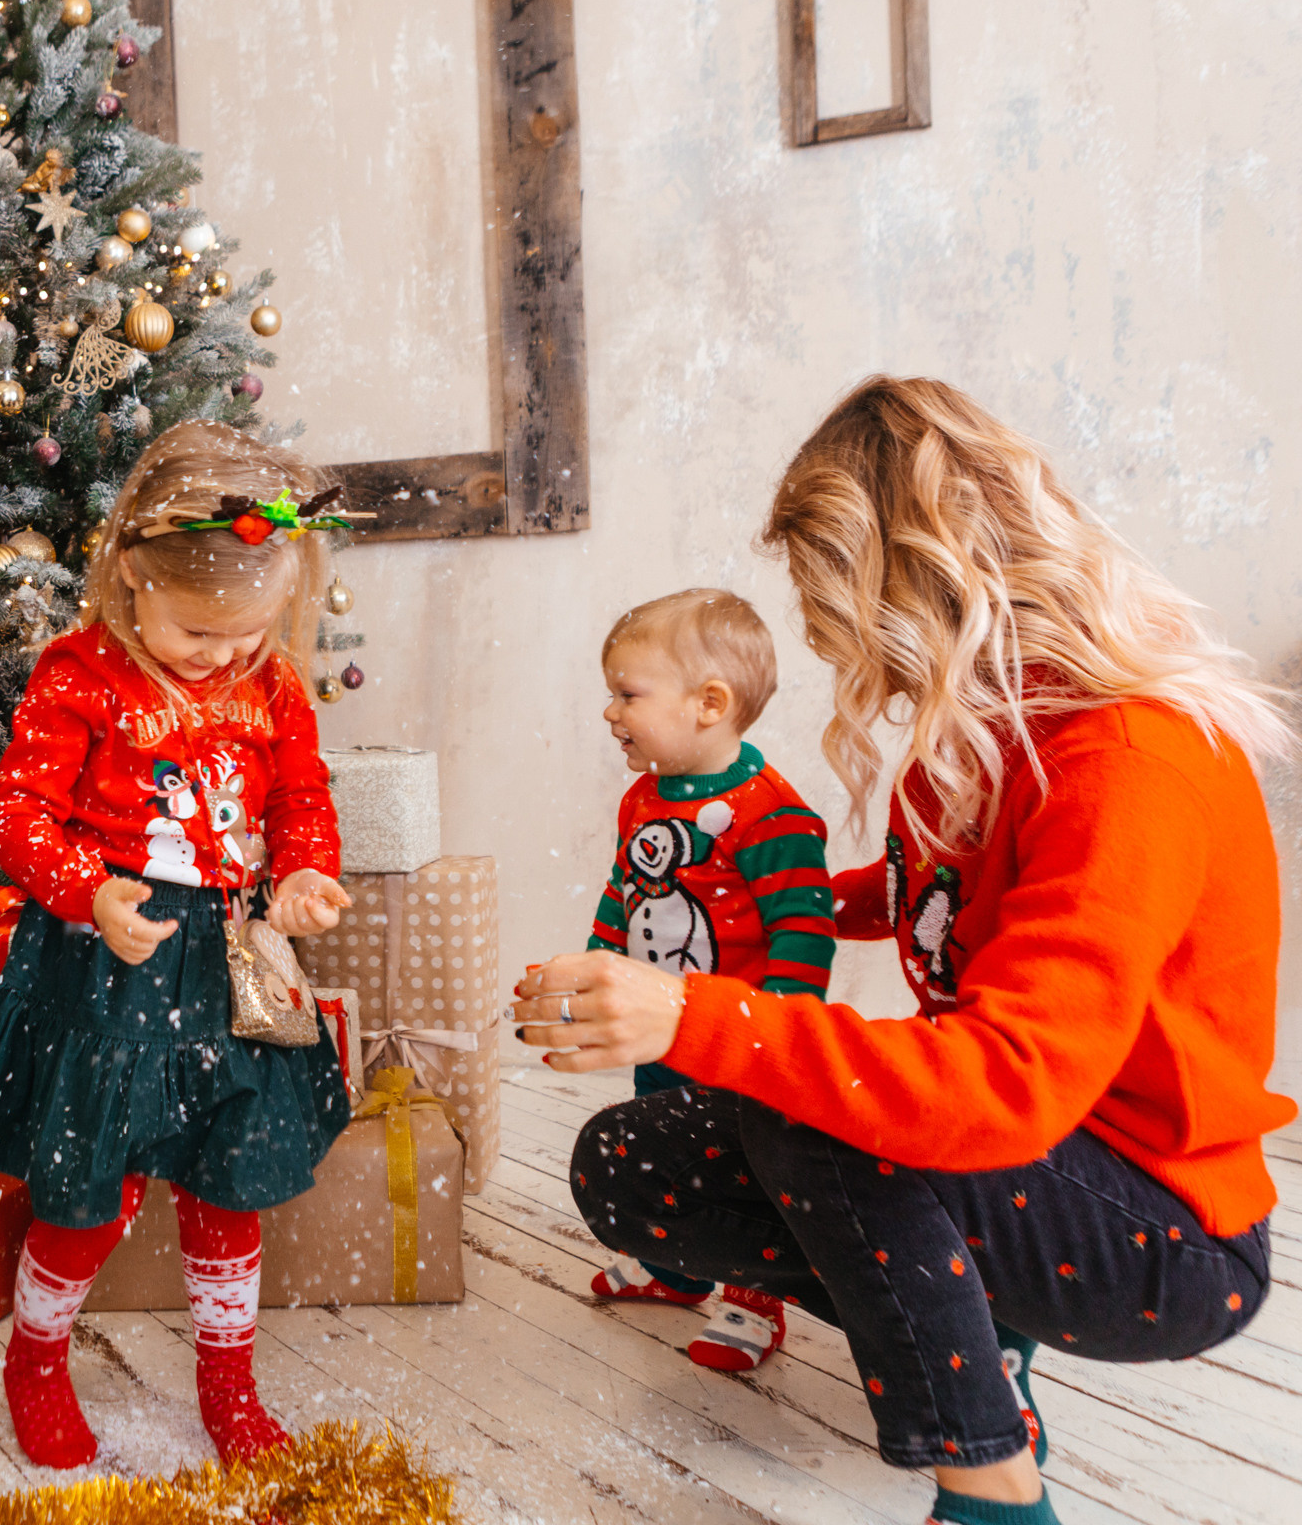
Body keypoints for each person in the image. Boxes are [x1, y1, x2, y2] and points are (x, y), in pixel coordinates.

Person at [519, 376, 1291, 1525]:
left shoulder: (1133, 759)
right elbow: (940, 893)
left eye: (829, 607)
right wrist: (772, 906)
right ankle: (985, 1334)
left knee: (809, 1099)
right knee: (632, 1163)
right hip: (1024, 1161)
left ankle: (992, 1485)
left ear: (913, 585)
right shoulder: (976, 732)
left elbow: (1010, 1081)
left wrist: (694, 1018)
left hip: (1161, 1228)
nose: (826, 646)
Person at [0, 422, 357, 1469]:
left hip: (230, 965)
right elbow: (17, 813)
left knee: (228, 1181)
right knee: (91, 1191)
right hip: (109, 962)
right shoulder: (81, 675)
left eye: (249, 634)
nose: (226, 657)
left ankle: (228, 1381)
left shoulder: (273, 683)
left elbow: (301, 797)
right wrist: (88, 890)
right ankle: (35, 1360)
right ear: (129, 579)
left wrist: (301, 872)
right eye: (201, 635)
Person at [582, 588, 835, 1372]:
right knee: (658, 1136)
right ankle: (675, 1265)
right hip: (662, 1023)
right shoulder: (644, 798)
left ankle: (755, 1296)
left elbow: (805, 924)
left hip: (738, 1036)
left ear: (708, 704)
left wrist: (781, 1021)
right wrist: (599, 959)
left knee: (742, 1162)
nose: (610, 712)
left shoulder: (771, 816)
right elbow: (626, 888)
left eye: (628, 694)